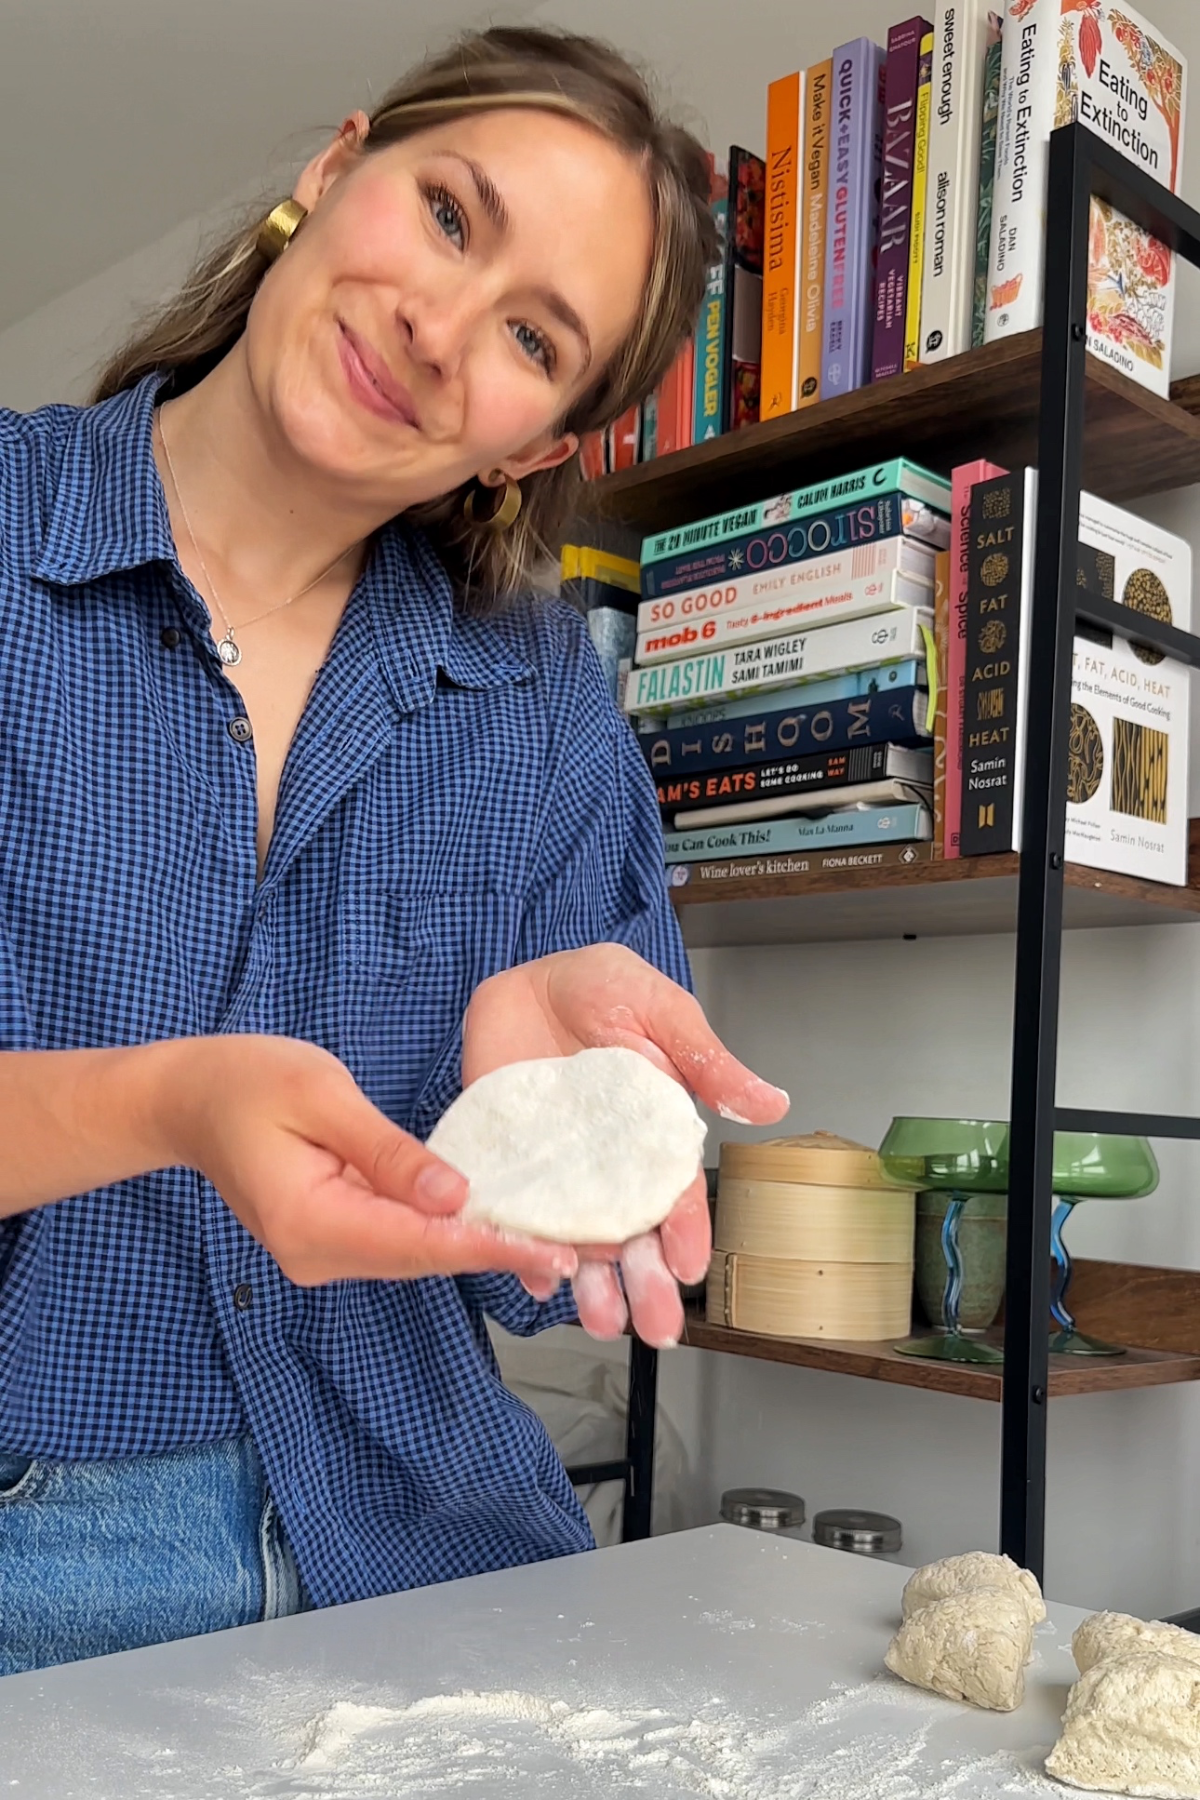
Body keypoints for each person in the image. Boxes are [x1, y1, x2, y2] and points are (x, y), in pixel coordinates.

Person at [0, 25, 788, 1675]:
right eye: (446, 214)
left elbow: (543, 1283)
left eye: (531, 336)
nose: (440, 327)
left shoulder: (545, 699)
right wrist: (166, 1108)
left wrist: (541, 1146)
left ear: (534, 447)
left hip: (437, 1539)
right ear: (334, 166)